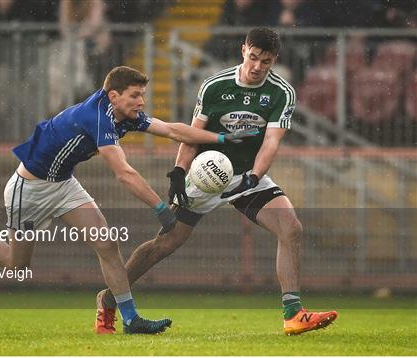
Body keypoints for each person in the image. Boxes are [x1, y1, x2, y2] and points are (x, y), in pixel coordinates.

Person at [0, 66, 254, 334]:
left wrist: (221, 137)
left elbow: (174, 131)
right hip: (29, 191)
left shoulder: (124, 114)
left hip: (63, 184)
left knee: (107, 245)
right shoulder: (98, 119)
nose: (141, 102)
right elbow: (124, 174)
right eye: (135, 96)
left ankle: (130, 319)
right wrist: (161, 209)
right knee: (16, 264)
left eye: (143, 96)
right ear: (113, 95)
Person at [95, 29, 338, 336]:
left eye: (266, 61)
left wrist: (253, 177)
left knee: (291, 227)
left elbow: (271, 143)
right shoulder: (215, 85)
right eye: (253, 57)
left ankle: (293, 314)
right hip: (205, 177)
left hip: (247, 176)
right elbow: (192, 135)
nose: (257, 66)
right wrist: (179, 172)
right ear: (243, 50)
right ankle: (109, 299)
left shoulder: (281, 92)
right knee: (165, 244)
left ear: (274, 59)